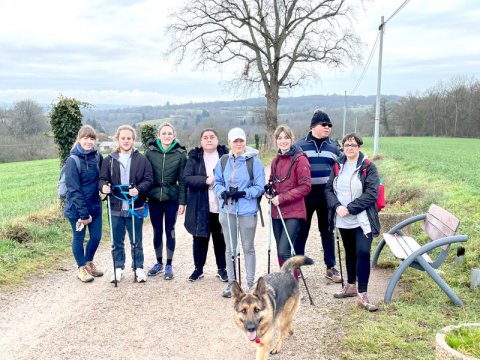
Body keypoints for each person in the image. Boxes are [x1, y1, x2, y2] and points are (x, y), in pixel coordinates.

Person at [325, 133, 380, 311]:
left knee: (363, 252)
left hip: (362, 218)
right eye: (347, 145)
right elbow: (328, 190)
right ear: (343, 147)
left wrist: (350, 208)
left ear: (359, 147)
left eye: (353, 145)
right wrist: (337, 206)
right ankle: (350, 285)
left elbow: (372, 193)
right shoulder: (337, 166)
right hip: (342, 218)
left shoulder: (368, 167)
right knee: (349, 252)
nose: (350, 148)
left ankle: (362, 294)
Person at [214, 127, 265, 298]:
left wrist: (244, 193)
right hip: (227, 209)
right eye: (235, 141)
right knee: (230, 248)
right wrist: (222, 192)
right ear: (229, 142)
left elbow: (259, 187)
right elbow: (217, 182)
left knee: (248, 248)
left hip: (247, 210)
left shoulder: (254, 162)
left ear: (245, 142)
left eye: (241, 140)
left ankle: (251, 285)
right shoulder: (223, 161)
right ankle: (232, 283)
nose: (238, 144)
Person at [99, 125, 153, 283]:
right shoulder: (109, 160)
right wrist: (103, 186)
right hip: (115, 207)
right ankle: (118, 268)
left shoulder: (142, 159)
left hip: (135, 207)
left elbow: (149, 180)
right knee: (117, 240)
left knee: (136, 240)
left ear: (133, 140)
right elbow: (102, 179)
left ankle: (138, 268)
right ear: (117, 139)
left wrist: (139, 189)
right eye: (123, 138)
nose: (126, 141)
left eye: (129, 138)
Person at [294, 109, 342, 283]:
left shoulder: (334, 147)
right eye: (324, 124)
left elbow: (341, 169)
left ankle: (330, 267)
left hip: (326, 194)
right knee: (301, 232)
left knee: (327, 231)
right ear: (314, 126)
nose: (327, 128)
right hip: (305, 195)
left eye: (329, 125)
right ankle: (296, 268)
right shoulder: (299, 146)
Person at [266, 125, 311, 278]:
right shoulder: (275, 161)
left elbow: (305, 187)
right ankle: (286, 281)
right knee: (280, 249)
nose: (283, 141)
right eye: (280, 138)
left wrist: (282, 197)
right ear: (276, 141)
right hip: (277, 211)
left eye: (286, 137)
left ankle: (294, 285)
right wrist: (269, 191)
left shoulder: (300, 159)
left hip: (294, 211)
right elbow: (272, 181)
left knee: (285, 249)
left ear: (292, 139)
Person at [184, 129, 229, 282]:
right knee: (199, 238)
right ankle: (198, 269)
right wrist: (205, 180)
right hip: (200, 205)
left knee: (220, 238)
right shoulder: (194, 157)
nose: (209, 140)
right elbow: (187, 178)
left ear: (217, 140)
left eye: (212, 137)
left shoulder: (226, 156)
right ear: (201, 142)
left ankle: (222, 269)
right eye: (205, 137)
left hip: (221, 206)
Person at [145, 122, 187, 280]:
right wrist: (143, 197)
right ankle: (158, 263)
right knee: (157, 230)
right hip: (154, 197)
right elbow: (144, 176)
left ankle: (169, 264)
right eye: (164, 133)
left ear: (174, 136)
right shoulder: (150, 152)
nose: (167, 136)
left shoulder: (181, 154)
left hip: (171, 198)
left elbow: (182, 181)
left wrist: (183, 202)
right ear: (158, 136)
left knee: (170, 230)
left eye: (170, 133)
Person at [64, 124, 103, 283]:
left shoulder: (97, 157)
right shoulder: (72, 161)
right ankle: (81, 269)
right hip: (77, 208)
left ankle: (88, 262)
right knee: (78, 238)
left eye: (91, 138)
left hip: (95, 205)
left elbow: (104, 177)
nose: (88, 141)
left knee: (96, 237)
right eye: (85, 138)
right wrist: (83, 213)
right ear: (79, 139)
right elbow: (74, 189)